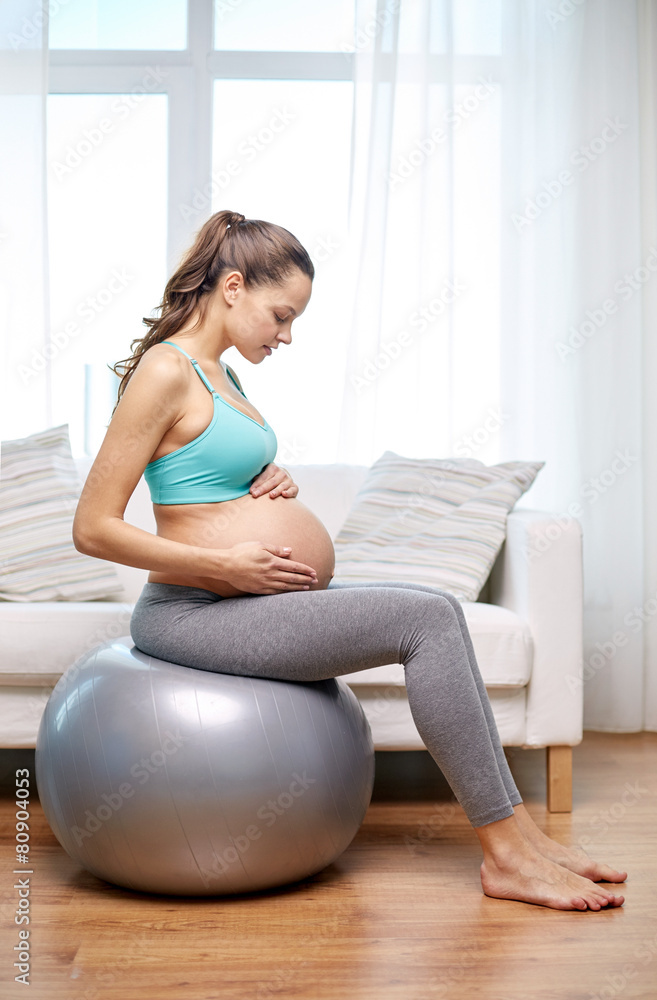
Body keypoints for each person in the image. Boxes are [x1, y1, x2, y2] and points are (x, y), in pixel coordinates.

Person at [73, 209, 627, 910]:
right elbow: (92, 527)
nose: (287, 335)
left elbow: (202, 484)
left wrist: (267, 481)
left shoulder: (225, 377)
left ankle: (523, 835)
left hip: (244, 601)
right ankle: (508, 856)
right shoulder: (164, 369)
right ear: (234, 287)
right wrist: (225, 567)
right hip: (193, 611)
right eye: (281, 315)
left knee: (437, 613)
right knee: (421, 620)